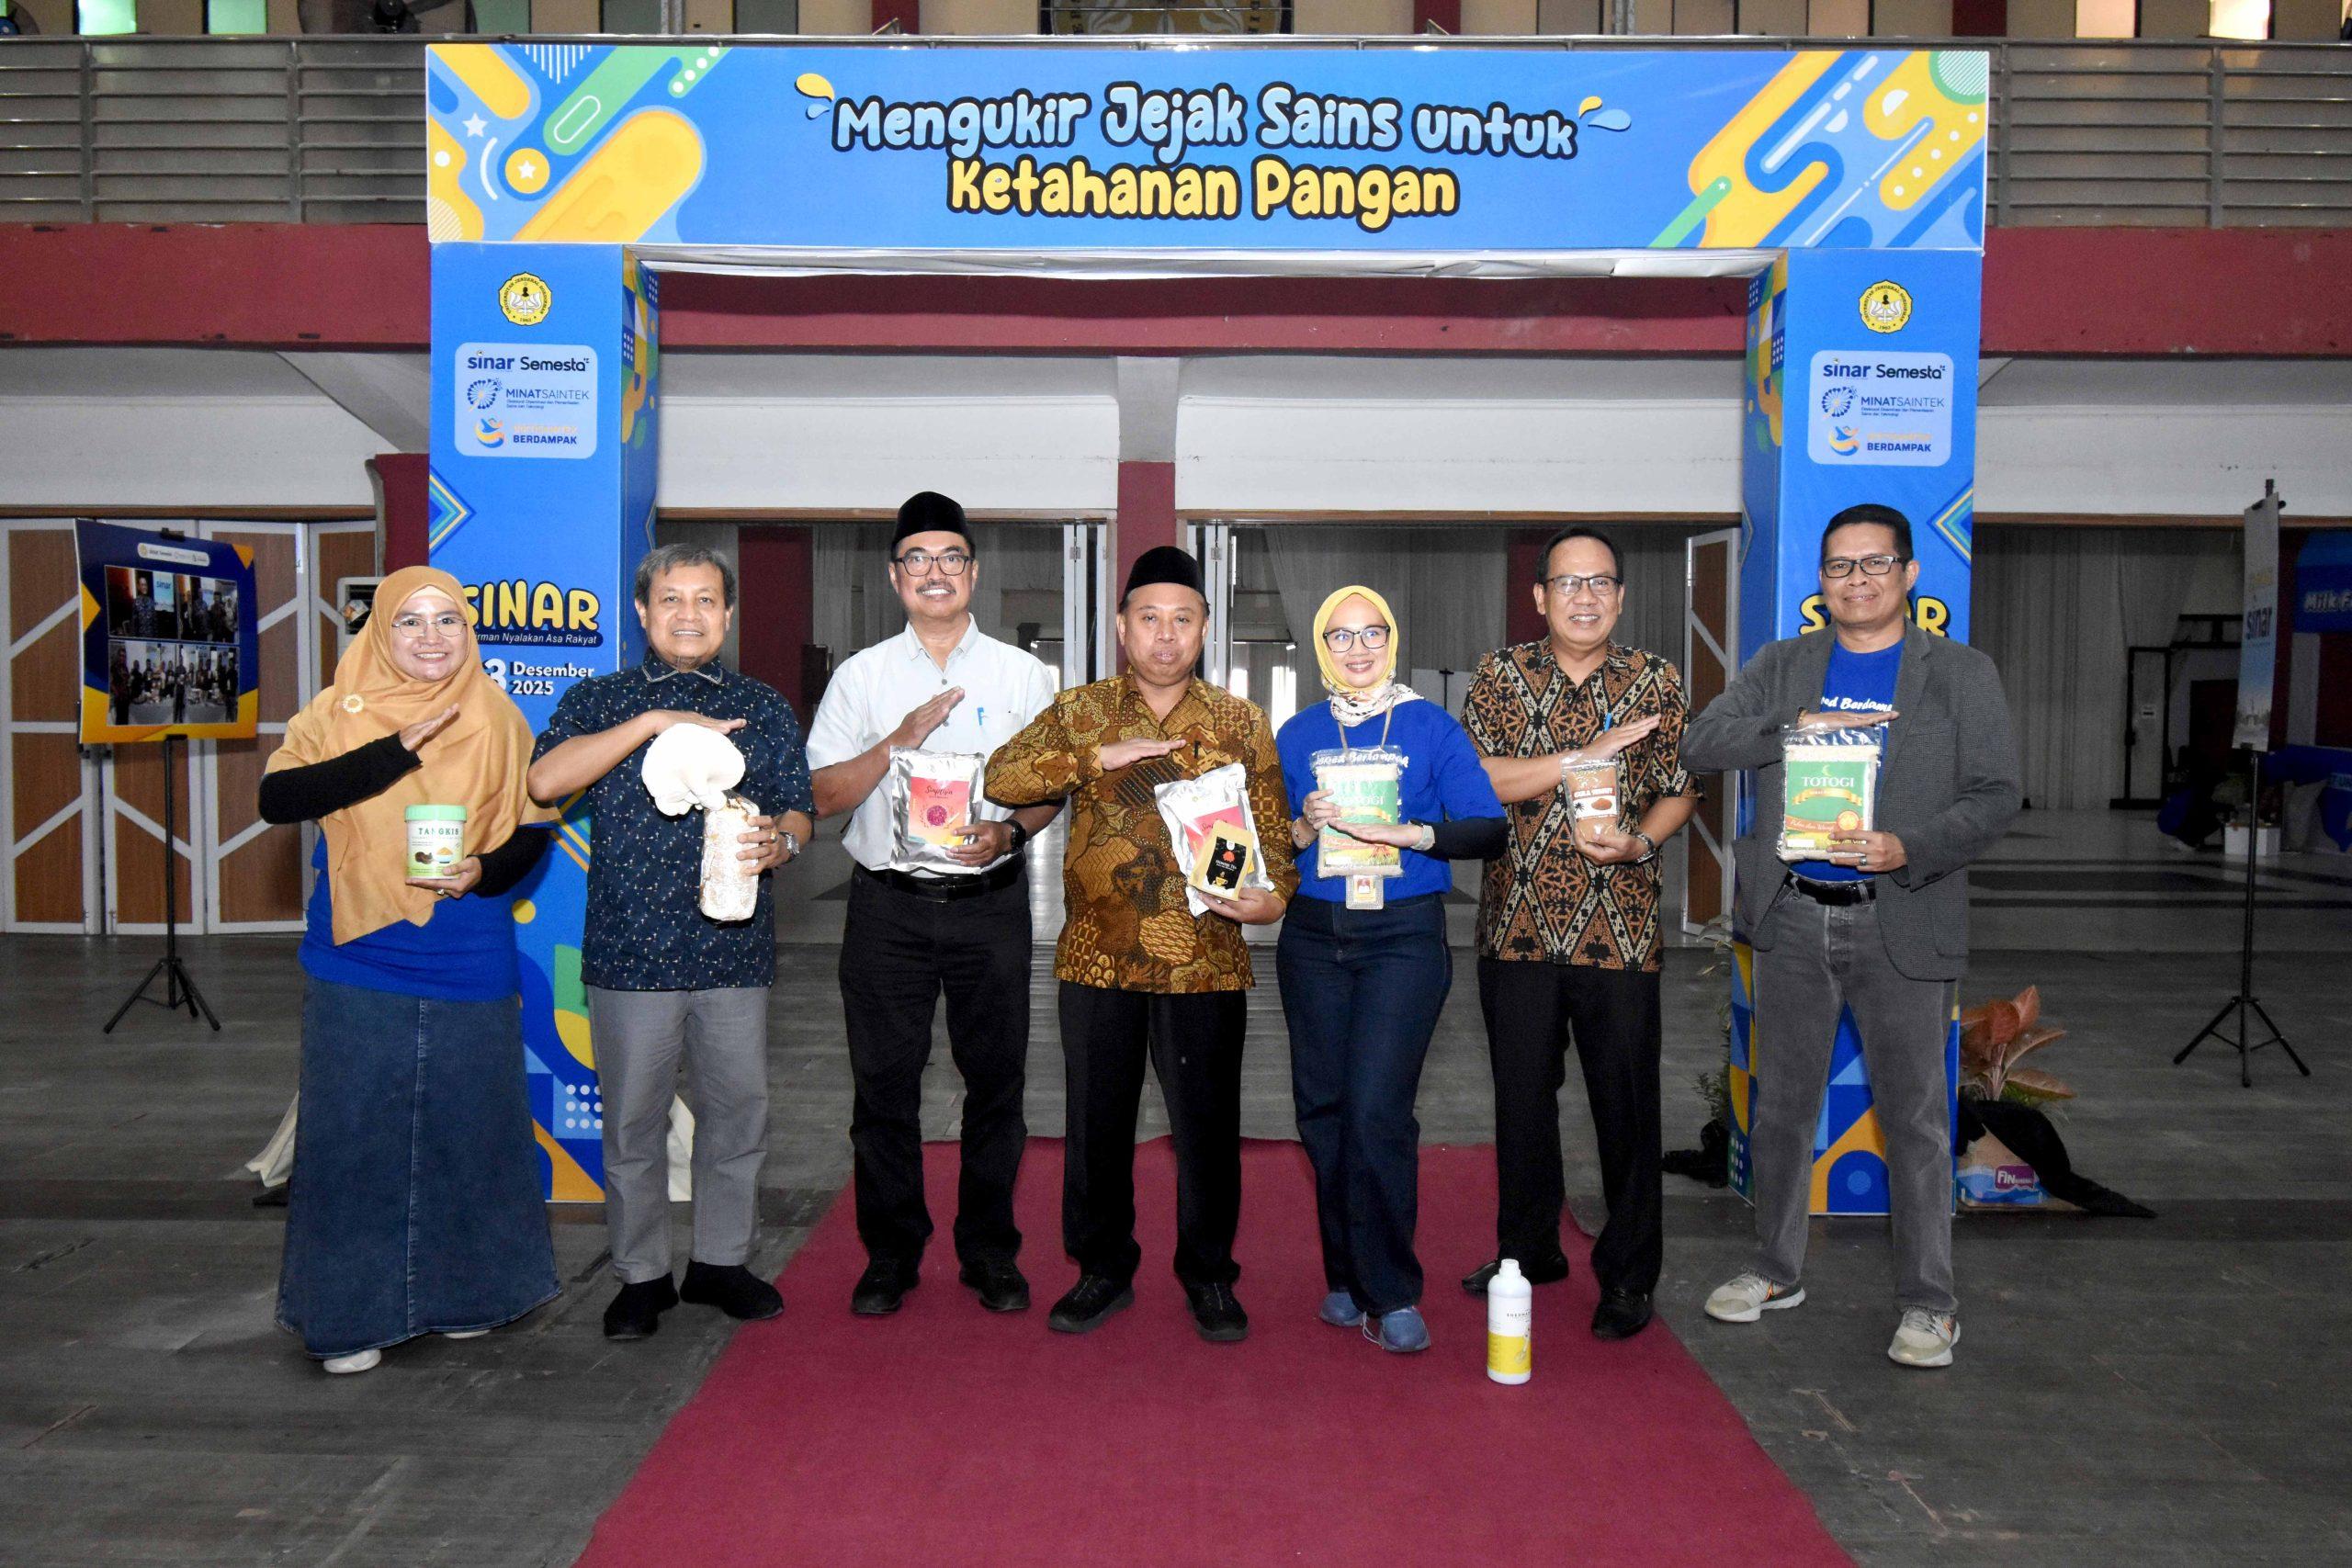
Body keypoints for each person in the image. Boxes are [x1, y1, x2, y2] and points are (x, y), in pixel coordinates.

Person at [1685, 502, 2020, 1370]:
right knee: (1782, 1109)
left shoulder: (1960, 673)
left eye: (1875, 563)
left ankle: (1929, 1304)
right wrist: (1791, 728)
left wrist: (1909, 846)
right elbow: (1701, 742)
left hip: (1902, 915)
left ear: (1909, 573)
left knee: (1915, 1118)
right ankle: (1775, 1269)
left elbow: (1996, 795)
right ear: (1821, 580)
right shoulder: (1784, 663)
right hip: (1795, 916)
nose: (1857, 580)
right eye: (1839, 565)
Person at [987, 546, 1296, 1344]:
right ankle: (1102, 1269)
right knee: (1095, 1126)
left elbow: (1273, 836)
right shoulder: (1081, 710)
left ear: (1204, 629)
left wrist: (1273, 898)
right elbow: (1002, 778)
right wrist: (1096, 757)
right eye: (1149, 618)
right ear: (1122, 628)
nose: (1165, 635)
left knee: (1208, 1130)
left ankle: (1209, 1274)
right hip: (1098, 958)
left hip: (1206, 959)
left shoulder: (1239, 721)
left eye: (1182, 619)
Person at [257, 565, 559, 1375]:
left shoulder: (499, 716)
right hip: (359, 952)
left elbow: (533, 830)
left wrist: (483, 871)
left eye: (448, 620)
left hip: (468, 950)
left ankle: (467, 1295)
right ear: (380, 630)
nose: (432, 637)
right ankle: (350, 1316)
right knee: (354, 1134)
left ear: (469, 632)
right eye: (411, 621)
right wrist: (393, 752)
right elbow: (279, 799)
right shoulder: (334, 710)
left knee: (473, 1128)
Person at [527, 545, 816, 1342]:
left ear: (728, 613)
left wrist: (783, 842)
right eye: (671, 599)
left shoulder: (762, 706)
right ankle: (641, 1273)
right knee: (632, 1124)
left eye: (705, 599)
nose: (689, 614)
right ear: (643, 611)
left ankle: (721, 1261)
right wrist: (653, 724)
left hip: (734, 950)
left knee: (738, 1115)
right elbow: (545, 781)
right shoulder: (601, 699)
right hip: (631, 951)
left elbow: (798, 806)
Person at [806, 492, 1061, 1317]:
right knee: (883, 1086)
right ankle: (891, 1253)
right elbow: (821, 793)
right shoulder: (862, 676)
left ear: (973, 572)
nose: (935, 571)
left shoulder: (1023, 676)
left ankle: (989, 1251)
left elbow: (1052, 786)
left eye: (951, 556)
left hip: (989, 905)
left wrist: (1011, 832)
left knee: (997, 1083)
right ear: (895, 576)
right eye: (917, 558)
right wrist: (899, 739)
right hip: (888, 910)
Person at [1462, 526, 1700, 1342]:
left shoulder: (1656, 680)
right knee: (1522, 1104)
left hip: (1620, 931)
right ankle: (1527, 1252)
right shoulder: (1500, 674)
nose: (1585, 596)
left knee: (1625, 1107)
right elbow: (1481, 779)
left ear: (1622, 596)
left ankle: (1629, 1275)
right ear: (1540, 596)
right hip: (1517, 929)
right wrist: (1581, 757)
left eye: (1600, 582)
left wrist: (1643, 842)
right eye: (1568, 583)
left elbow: (1680, 788)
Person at [1275, 585, 1504, 1354]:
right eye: (1340, 636)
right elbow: (1269, 841)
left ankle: (1393, 1289)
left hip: (1402, 937)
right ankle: (1345, 1274)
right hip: (1313, 938)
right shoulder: (1298, 732)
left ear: (1392, 639)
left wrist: (1414, 833)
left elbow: (1487, 829)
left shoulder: (1431, 726)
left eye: (1372, 632)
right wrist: (1301, 824)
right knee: (1324, 1111)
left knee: (1376, 1109)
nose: (1358, 648)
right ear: (1321, 647)